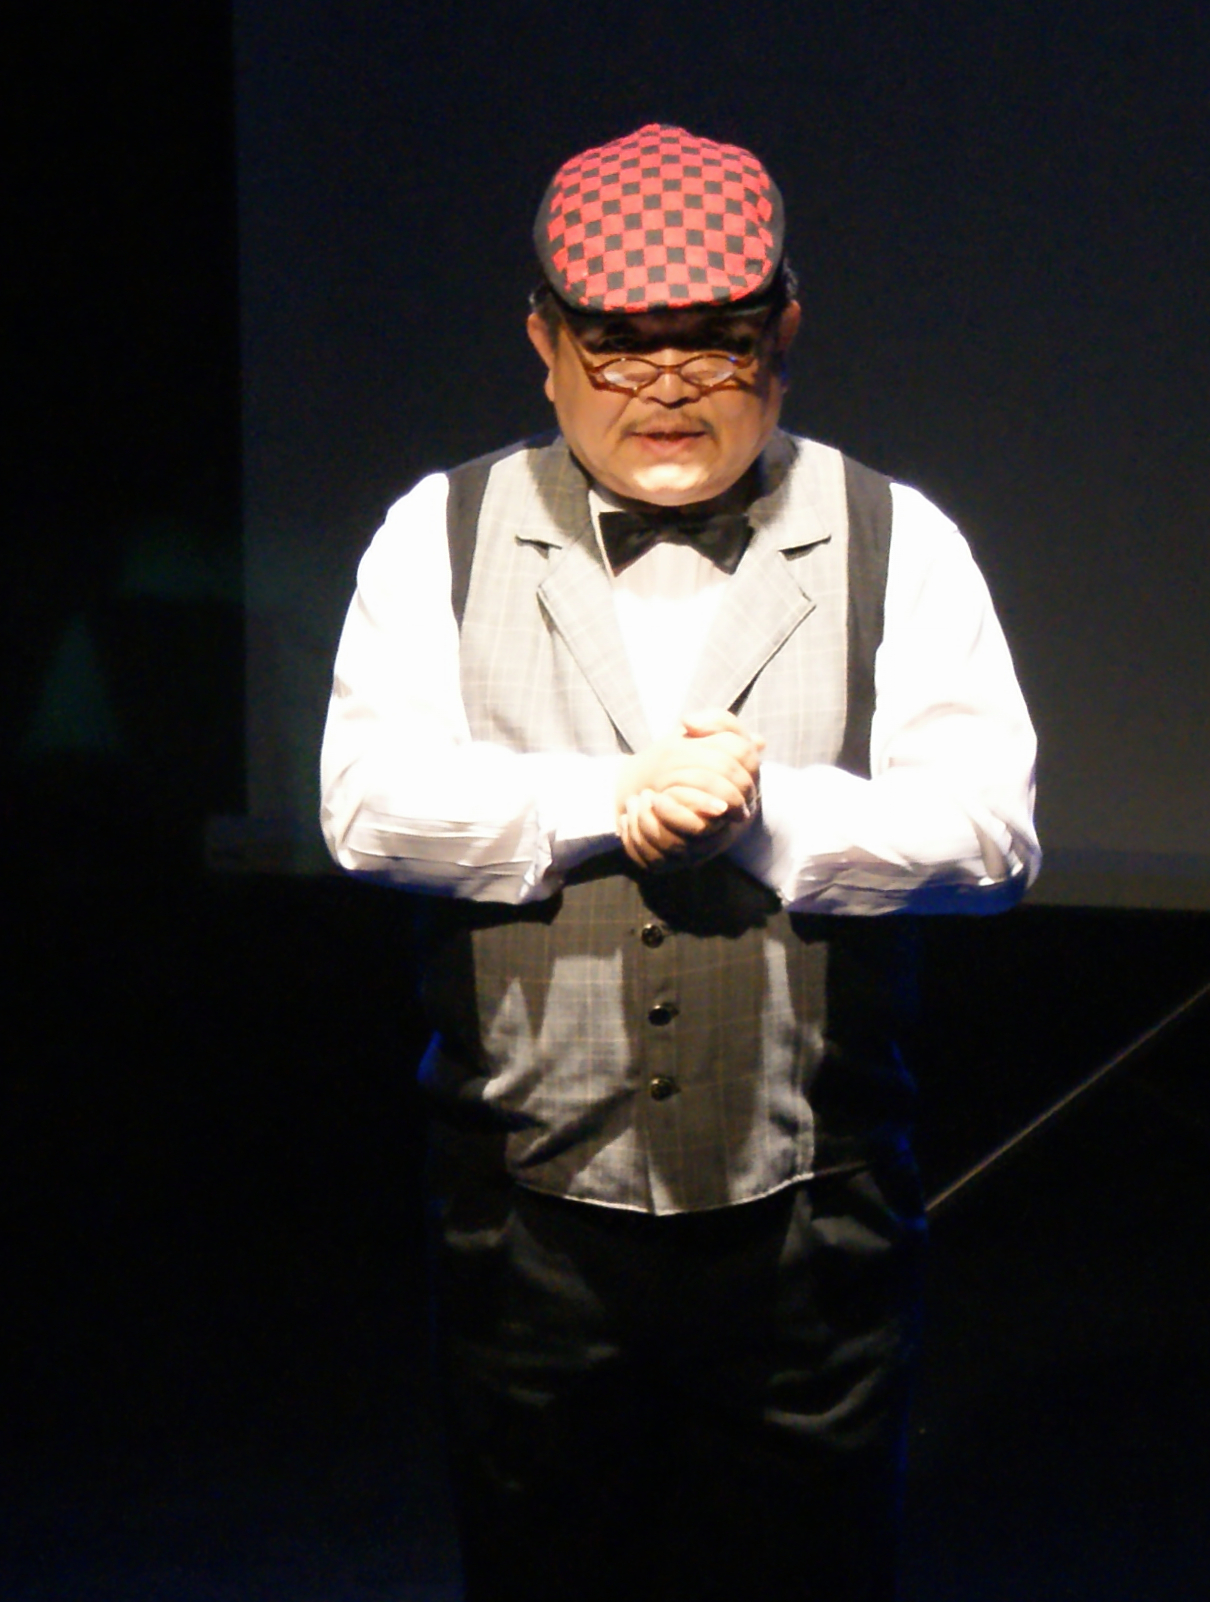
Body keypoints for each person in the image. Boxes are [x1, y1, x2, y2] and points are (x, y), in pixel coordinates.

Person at [321, 122, 1039, 1602]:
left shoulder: (897, 538)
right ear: (543, 340)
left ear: (785, 333)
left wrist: (766, 821)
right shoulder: (436, 534)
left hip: (812, 1216)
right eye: (618, 345)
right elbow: (366, 807)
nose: (666, 385)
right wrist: (614, 797)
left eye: (715, 342)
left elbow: (992, 834)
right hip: (528, 1211)